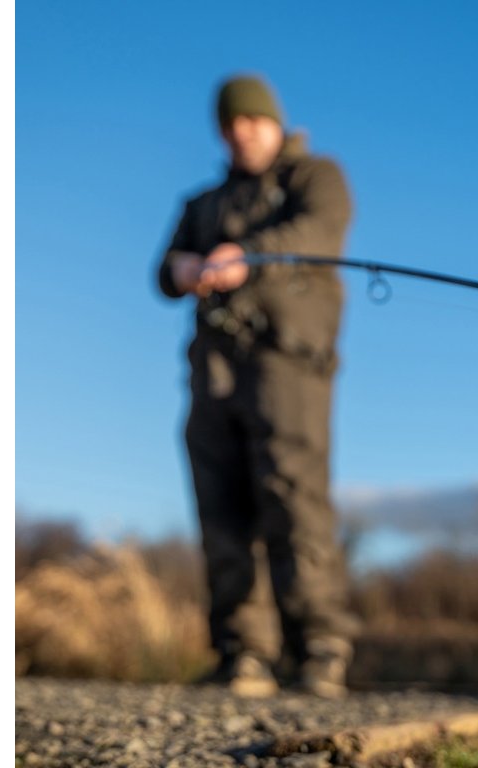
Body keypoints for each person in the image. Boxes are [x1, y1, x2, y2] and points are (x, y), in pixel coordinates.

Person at [157, 74, 357, 698]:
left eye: (251, 121)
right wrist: (182, 268)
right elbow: (162, 271)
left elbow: (321, 232)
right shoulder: (202, 204)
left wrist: (246, 254)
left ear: (274, 122)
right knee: (220, 504)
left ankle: (319, 649)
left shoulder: (316, 177)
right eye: (230, 125)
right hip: (214, 368)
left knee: (293, 498)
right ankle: (242, 654)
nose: (240, 133)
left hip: (288, 363)